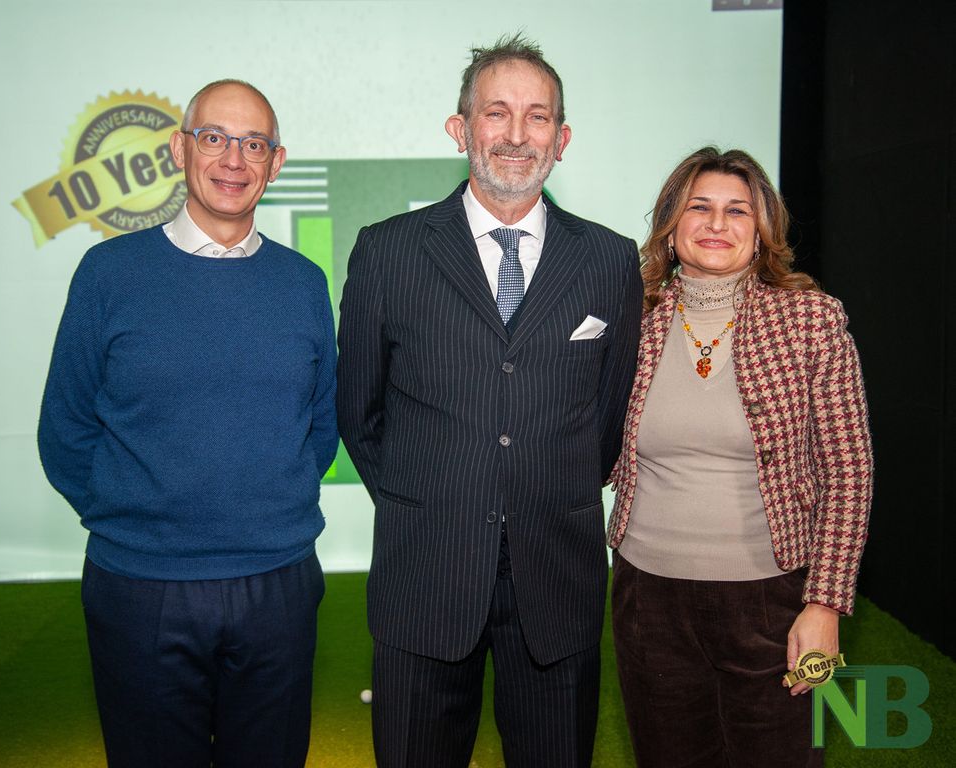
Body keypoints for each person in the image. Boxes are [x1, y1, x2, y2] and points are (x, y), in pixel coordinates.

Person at [337, 33, 642, 768]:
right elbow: (359, 413)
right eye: (496, 112)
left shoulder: (608, 259)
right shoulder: (388, 251)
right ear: (460, 128)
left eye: (537, 117)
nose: (515, 134)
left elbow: (609, 418)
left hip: (556, 580)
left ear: (561, 139)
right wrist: (431, 497)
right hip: (424, 576)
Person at [37, 79, 337, 768]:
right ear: (179, 149)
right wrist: (137, 520)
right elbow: (66, 429)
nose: (233, 159)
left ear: (276, 163)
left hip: (278, 582)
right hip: (139, 587)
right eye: (214, 137)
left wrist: (262, 512)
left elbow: (320, 426)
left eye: (253, 144)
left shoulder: (303, 283)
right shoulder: (108, 274)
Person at [606, 146, 873, 767]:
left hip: (772, 598)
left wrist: (824, 603)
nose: (716, 224)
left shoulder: (810, 320)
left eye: (737, 211)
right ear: (671, 224)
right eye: (698, 207)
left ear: (761, 231)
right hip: (647, 597)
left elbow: (848, 472)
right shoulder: (632, 318)